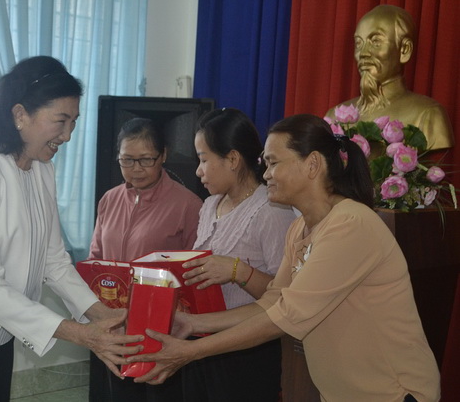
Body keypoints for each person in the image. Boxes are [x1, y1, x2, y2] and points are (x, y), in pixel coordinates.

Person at [127, 114, 441, 402]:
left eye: (274, 163)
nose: (266, 174)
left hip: (393, 393)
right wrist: (193, 323)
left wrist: (190, 351)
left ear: (312, 164)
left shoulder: (350, 225)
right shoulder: (298, 228)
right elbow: (271, 302)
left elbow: (286, 316)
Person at [0, 56, 143, 402]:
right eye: (60, 121)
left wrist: (101, 314)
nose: (67, 135)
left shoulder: (41, 169)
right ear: (20, 114)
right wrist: (83, 335)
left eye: (74, 122)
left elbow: (54, 261)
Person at [177, 108, 296, 402]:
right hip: (201, 340)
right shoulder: (210, 205)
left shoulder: (271, 210)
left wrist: (237, 272)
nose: (198, 171)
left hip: (247, 351)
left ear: (232, 159)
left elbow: (285, 297)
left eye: (204, 160)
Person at [88, 117, 203, 401]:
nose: (136, 169)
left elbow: (194, 276)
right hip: (116, 327)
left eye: (145, 160)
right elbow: (96, 260)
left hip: (164, 331)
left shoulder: (188, 205)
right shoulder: (109, 200)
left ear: (163, 155)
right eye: (127, 160)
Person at [326, 4, 454, 151]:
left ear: (404, 50)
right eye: (359, 43)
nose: (363, 53)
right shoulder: (334, 116)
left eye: (376, 42)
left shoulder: (428, 115)